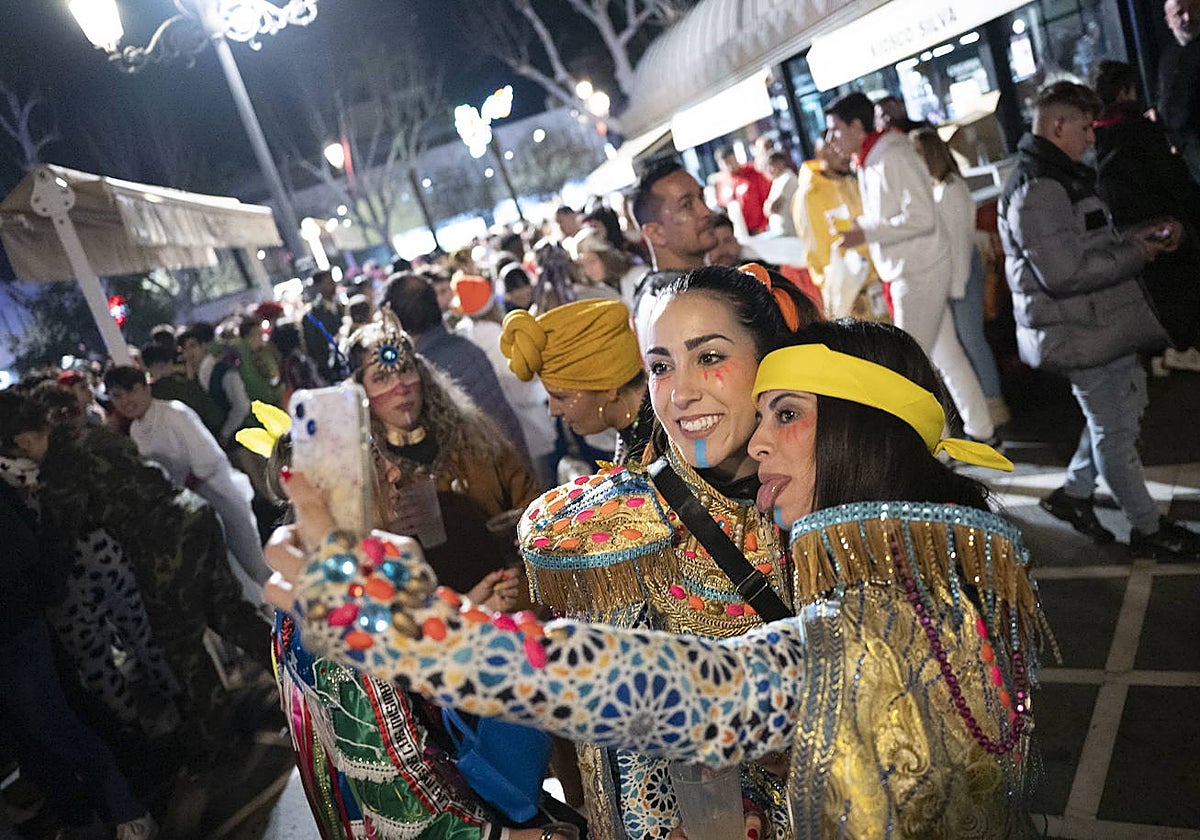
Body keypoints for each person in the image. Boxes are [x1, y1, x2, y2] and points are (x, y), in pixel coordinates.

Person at [264, 319, 1042, 840]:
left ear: (859, 429)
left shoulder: (877, 629)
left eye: (788, 415)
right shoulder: (952, 568)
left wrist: (395, 621)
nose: (758, 442)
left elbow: (658, 689)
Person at [502, 266, 817, 840]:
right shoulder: (627, 533)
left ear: (772, 360)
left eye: (710, 357)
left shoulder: (842, 485)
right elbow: (631, 772)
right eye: (661, 366)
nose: (682, 391)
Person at [998, 80, 1200, 560]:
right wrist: (1139, 250)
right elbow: (1064, 273)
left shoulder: (1056, 175)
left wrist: (1139, 235)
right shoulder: (1040, 187)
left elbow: (1082, 245)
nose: (1093, 138)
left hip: (1095, 327)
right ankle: (1147, 528)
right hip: (1079, 332)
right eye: (1086, 128)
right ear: (1058, 125)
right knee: (1115, 429)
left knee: (1116, 417)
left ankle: (1073, 495)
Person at [0, 392, 160, 840]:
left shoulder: (58, 458)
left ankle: (141, 762)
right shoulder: (37, 465)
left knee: (65, 705)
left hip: (57, 588)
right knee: (98, 665)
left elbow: (37, 542)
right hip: (65, 583)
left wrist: (46, 588)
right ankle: (137, 740)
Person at [826, 92, 996, 444]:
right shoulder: (877, 157)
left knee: (908, 369)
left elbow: (920, 217)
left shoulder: (892, 156)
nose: (831, 140)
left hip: (917, 272)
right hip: (912, 270)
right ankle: (981, 431)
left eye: (835, 130)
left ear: (858, 127)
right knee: (946, 357)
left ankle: (936, 448)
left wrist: (866, 231)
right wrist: (864, 230)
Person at [104, 366, 272, 591]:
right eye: (117, 396)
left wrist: (181, 488)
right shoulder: (136, 430)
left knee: (254, 564)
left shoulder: (174, 413)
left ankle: (292, 617)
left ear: (145, 388)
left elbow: (207, 458)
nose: (126, 401)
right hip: (190, 510)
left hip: (219, 495)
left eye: (131, 391)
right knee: (231, 577)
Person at [1093, 60, 1200, 353]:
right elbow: (1172, 181)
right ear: (1127, 91)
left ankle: (1164, 351)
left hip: (1125, 233)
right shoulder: (1141, 130)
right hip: (1165, 224)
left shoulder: (1093, 139)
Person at [912, 128, 1012, 429]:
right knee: (966, 343)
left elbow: (957, 242)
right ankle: (988, 405)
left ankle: (993, 402)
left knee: (971, 340)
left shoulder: (950, 189)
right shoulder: (942, 188)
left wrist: (953, 286)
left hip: (961, 275)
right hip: (957, 275)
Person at [383, 272, 531, 467]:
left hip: (489, 475)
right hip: (515, 462)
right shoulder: (466, 346)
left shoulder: (422, 372)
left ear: (396, 320)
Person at [500, 299, 654, 468]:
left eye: (560, 397)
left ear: (609, 387)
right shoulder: (642, 431)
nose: (553, 410)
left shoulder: (664, 449)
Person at [454, 274, 558, 487]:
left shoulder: (467, 332)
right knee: (544, 481)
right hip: (527, 416)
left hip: (506, 424)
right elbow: (519, 379)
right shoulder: (494, 335)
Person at [790, 139, 886, 321]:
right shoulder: (808, 196)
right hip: (851, 299)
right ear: (821, 152)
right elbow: (817, 255)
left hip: (878, 288)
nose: (844, 153)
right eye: (835, 148)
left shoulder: (852, 183)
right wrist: (842, 294)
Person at [629, 159, 718, 339]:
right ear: (655, 233)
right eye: (686, 205)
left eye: (701, 198)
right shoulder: (675, 304)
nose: (706, 211)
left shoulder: (659, 292)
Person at [1158, 0, 1200, 184]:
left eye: (1195, 9)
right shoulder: (1168, 57)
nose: (1188, 17)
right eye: (1179, 13)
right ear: (1168, 21)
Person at [302, 270, 347, 385]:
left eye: (332, 281)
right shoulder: (312, 316)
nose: (333, 285)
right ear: (318, 287)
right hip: (333, 372)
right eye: (328, 282)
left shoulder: (342, 307)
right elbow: (313, 348)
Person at [714, 146, 773, 235]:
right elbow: (722, 206)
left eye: (731, 161)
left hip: (759, 229)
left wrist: (763, 225)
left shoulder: (753, 172)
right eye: (725, 164)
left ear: (735, 158)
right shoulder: (722, 182)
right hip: (738, 232)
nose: (729, 166)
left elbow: (767, 197)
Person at [762, 151, 798, 236]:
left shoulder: (787, 179)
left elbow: (772, 207)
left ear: (780, 163)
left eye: (771, 165)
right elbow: (766, 209)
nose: (768, 170)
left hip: (790, 232)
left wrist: (769, 204)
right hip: (780, 232)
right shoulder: (776, 181)